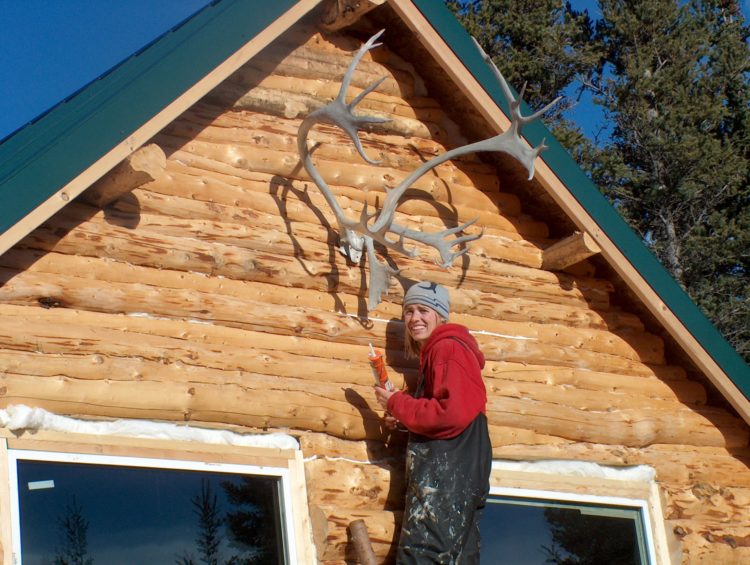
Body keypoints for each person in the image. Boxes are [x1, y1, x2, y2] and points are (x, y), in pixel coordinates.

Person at [374, 281, 492, 564]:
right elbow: (450, 414)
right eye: (409, 312)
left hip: (447, 477)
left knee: (424, 554)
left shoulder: (447, 349)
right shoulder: (448, 351)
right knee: (457, 557)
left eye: (423, 310)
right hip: (461, 472)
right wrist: (405, 419)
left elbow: (450, 415)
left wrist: (395, 402)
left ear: (441, 315)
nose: (415, 319)